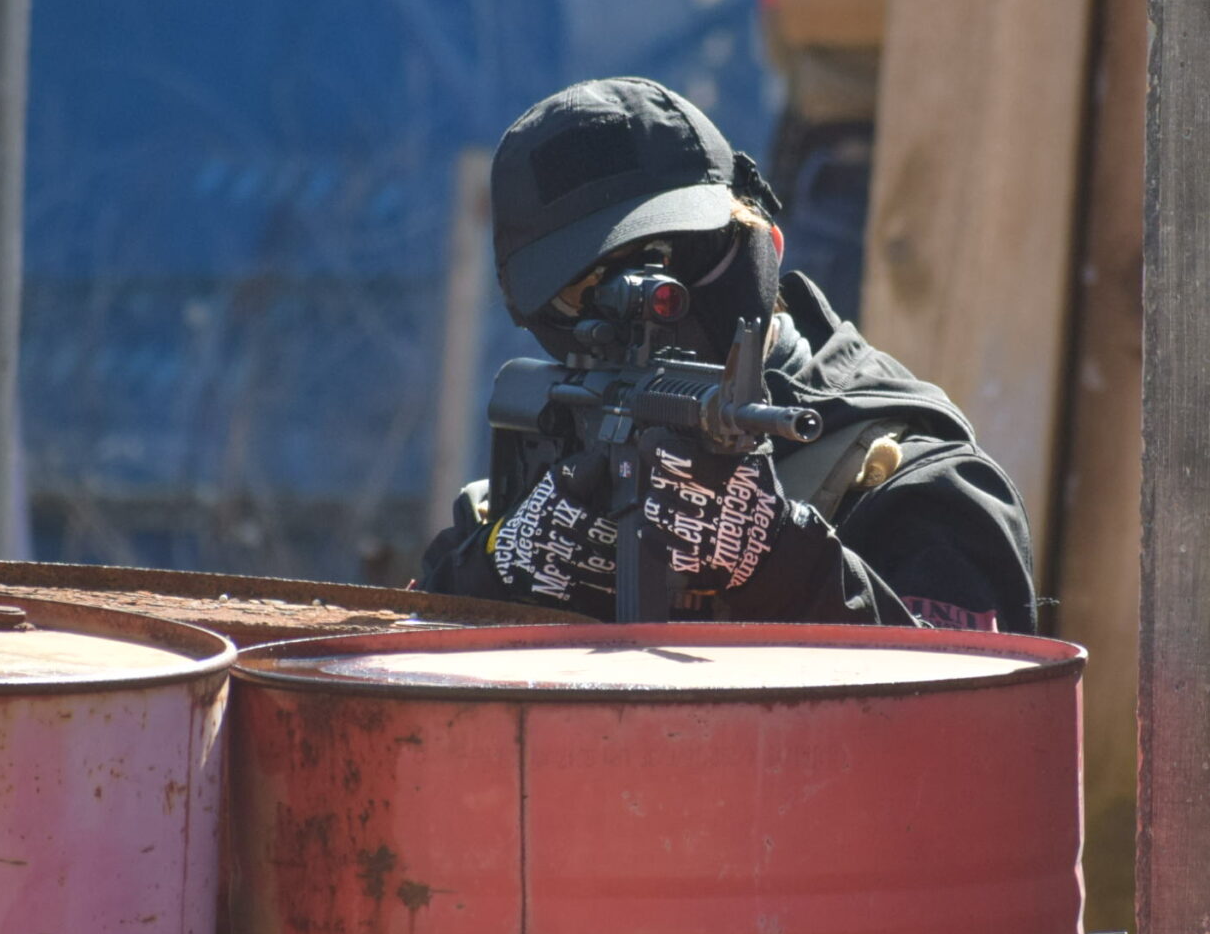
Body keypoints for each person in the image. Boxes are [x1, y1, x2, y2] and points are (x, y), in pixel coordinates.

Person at [417, 76, 1037, 631]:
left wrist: (789, 565)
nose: (650, 306)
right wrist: (493, 577)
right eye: (586, 289)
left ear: (770, 243)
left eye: (679, 256)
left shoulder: (913, 486)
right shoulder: (537, 489)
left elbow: (977, 708)